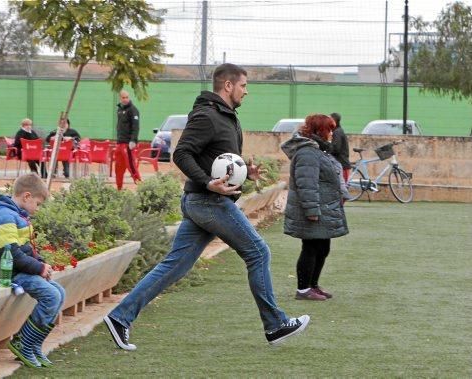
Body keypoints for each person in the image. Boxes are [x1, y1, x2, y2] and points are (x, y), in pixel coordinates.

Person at [104, 63, 310, 350]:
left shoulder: (226, 116)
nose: (246, 92)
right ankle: (275, 325)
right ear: (228, 85)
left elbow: (217, 157)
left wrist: (244, 172)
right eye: (243, 86)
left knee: (174, 266)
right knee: (258, 252)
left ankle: (120, 317)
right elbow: (181, 153)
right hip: (208, 201)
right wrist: (207, 182)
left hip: (204, 201)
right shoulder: (207, 115)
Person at [0, 173, 65, 368]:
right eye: (38, 203)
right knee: (51, 295)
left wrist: (42, 264)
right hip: (7, 274)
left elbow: (26, 248)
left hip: (19, 270)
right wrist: (38, 268)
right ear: (26, 196)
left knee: (60, 292)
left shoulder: (16, 215)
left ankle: (34, 344)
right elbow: (11, 253)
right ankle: (23, 343)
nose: (38, 208)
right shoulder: (3, 216)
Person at [280, 114, 349, 301]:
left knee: (322, 248)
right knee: (310, 248)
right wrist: (311, 211)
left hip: (323, 209)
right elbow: (306, 184)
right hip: (313, 211)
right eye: (330, 129)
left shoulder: (318, 150)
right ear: (320, 130)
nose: (333, 134)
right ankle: (303, 289)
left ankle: (313, 285)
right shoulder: (307, 153)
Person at [114, 90, 142, 190]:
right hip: (119, 143)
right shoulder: (119, 110)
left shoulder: (133, 110)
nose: (125, 99)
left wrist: (133, 140)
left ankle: (141, 187)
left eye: (127, 97)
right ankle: (119, 189)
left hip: (128, 144)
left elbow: (136, 127)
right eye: (123, 97)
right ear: (120, 98)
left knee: (131, 166)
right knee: (118, 167)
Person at [328, 112, 351, 182]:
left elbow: (336, 149)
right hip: (341, 164)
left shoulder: (337, 132)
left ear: (334, 121)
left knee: (342, 188)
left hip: (342, 164)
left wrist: (327, 149)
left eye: (329, 120)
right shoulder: (338, 131)